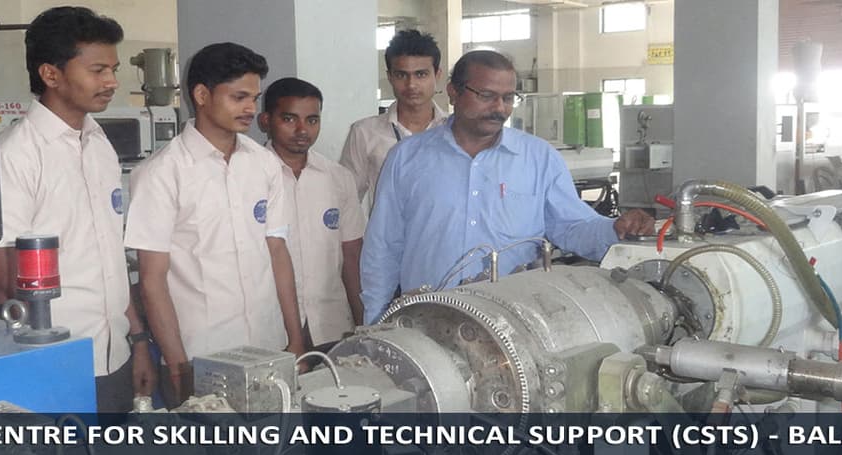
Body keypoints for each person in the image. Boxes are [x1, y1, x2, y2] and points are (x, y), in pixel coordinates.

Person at [359, 50, 656, 324]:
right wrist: (375, 322)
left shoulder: (538, 158)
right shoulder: (407, 158)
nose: (499, 108)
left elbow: (572, 226)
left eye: (509, 97)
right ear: (453, 92)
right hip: (426, 321)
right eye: (486, 95)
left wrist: (614, 229)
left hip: (512, 325)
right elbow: (383, 247)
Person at [0, 6, 153, 414]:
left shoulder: (99, 145)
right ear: (51, 74)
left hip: (114, 354)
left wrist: (137, 340)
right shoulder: (15, 156)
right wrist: (46, 368)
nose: (112, 82)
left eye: (113, 69)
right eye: (98, 70)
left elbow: (109, 257)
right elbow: (4, 282)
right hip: (55, 363)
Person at [124, 42, 306, 407]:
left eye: (254, 98)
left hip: (268, 346)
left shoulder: (264, 165)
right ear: (202, 95)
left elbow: (277, 252)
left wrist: (295, 337)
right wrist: (178, 364)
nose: (250, 109)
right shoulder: (162, 173)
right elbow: (153, 280)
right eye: (239, 97)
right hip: (202, 356)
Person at [259, 77, 367, 350]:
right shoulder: (249, 177)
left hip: (332, 323)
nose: (302, 130)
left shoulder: (338, 178)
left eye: (312, 120)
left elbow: (352, 254)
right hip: (269, 327)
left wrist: (362, 322)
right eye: (289, 119)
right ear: (265, 121)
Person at [339, 29, 449, 211]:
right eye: (401, 75)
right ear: (390, 77)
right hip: (386, 229)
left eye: (421, 74)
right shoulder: (364, 132)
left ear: (437, 75)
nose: (411, 84)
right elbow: (347, 200)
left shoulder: (453, 129)